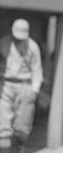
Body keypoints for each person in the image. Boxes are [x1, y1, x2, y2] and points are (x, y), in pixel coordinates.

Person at [0, 19, 43, 153]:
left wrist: (34, 90)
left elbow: (37, 69)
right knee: (3, 125)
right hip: (6, 84)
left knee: (22, 126)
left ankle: (20, 150)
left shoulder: (32, 46)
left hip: (25, 85)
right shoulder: (4, 43)